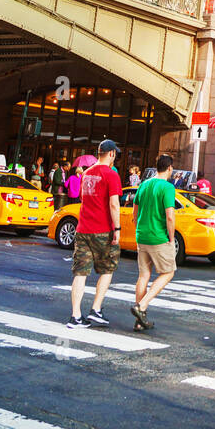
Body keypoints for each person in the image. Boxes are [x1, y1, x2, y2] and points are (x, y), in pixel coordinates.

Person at [68, 140, 121, 329]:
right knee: (108, 269)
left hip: (83, 228)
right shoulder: (112, 175)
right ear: (112, 154)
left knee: (80, 273)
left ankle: (75, 316)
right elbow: (114, 204)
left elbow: (83, 197)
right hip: (102, 229)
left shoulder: (86, 173)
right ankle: (96, 309)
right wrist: (117, 229)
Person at [131, 153, 177, 331]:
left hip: (142, 235)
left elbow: (135, 211)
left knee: (143, 276)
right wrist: (171, 239)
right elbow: (170, 217)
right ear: (170, 168)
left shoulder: (144, 184)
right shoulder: (167, 187)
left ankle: (139, 321)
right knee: (168, 272)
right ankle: (142, 306)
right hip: (158, 237)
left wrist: (138, 226)